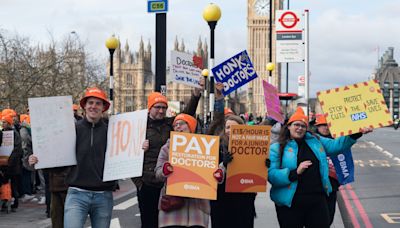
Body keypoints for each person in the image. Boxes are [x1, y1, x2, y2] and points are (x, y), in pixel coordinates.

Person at [268, 107, 372, 228]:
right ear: (289, 126)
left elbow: (336, 146)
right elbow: (271, 175)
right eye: (296, 125)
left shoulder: (315, 140)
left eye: (303, 126)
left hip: (317, 200)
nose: (300, 128)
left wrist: (356, 133)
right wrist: (295, 172)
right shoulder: (277, 148)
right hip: (290, 203)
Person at [133, 82, 203, 228]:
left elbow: (186, 116)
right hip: (147, 183)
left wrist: (195, 95)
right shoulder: (138, 126)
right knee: (148, 222)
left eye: (164, 107)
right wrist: (139, 182)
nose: (161, 111)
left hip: (167, 184)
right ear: (149, 108)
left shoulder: (169, 125)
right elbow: (126, 151)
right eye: (157, 107)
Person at [154, 113, 223, 228]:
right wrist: (165, 170)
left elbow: (215, 172)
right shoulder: (167, 147)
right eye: (175, 125)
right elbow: (158, 172)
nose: (177, 127)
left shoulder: (205, 147)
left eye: (181, 124)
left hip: (197, 207)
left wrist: (218, 175)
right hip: (173, 208)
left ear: (191, 126)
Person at [207, 83, 260, 228]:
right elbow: (217, 120)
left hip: (243, 197)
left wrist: (263, 164)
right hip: (221, 197)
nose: (231, 130)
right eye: (228, 127)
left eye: (235, 127)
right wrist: (219, 97)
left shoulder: (250, 145)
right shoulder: (216, 144)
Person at [63, 87, 116, 228]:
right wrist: (36, 159)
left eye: (98, 103)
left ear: (104, 107)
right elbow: (57, 155)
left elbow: (127, 152)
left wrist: (140, 147)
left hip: (103, 195)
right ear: (84, 106)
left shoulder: (113, 131)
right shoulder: (72, 129)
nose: (94, 106)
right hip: (76, 194)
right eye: (90, 102)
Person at [313, 114, 342, 226]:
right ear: (317, 126)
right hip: (317, 186)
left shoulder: (337, 140)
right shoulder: (312, 140)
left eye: (327, 125)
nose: (325, 127)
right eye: (322, 125)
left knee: (329, 216)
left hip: (332, 185)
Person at [1, 112, 23, 212]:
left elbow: (18, 149)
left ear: (9, 123)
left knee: (14, 184)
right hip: (3, 164)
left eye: (5, 122)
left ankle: (15, 202)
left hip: (13, 165)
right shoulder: (1, 133)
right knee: (4, 183)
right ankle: (5, 201)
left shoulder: (15, 134)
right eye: (2, 122)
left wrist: (10, 160)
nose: (3, 124)